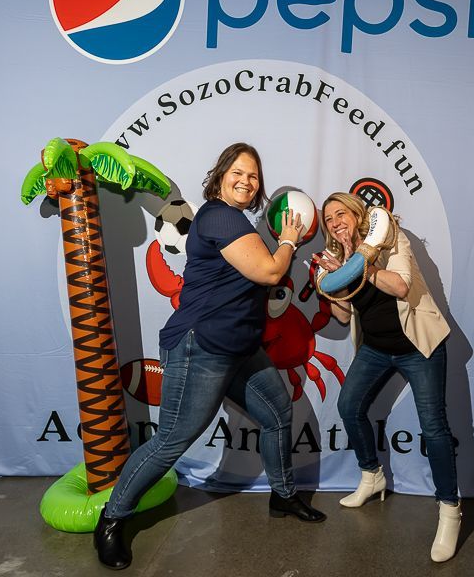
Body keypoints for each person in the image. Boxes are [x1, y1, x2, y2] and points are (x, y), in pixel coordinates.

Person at [95, 143, 325, 570]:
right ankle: (112, 519)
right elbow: (271, 272)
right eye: (238, 172)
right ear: (219, 178)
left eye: (253, 176)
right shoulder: (220, 216)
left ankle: (283, 496)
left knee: (277, 414)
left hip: (240, 347)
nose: (246, 181)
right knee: (171, 441)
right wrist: (289, 240)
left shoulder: (238, 222)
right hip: (200, 346)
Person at [313, 192, 460, 563]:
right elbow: (343, 317)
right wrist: (334, 281)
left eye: (340, 213)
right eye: (328, 219)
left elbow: (401, 286)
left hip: (418, 345)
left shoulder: (390, 237)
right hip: (376, 348)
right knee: (349, 406)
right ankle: (371, 475)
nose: (335, 222)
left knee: (434, 427)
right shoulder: (339, 255)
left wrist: (360, 262)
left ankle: (449, 510)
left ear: (356, 213)